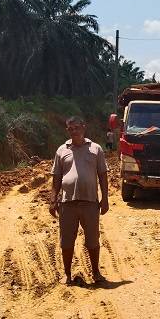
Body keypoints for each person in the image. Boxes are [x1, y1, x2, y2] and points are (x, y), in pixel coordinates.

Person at [49, 117, 109, 285]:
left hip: (90, 202)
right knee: (66, 241)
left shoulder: (96, 149)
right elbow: (56, 177)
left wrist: (105, 198)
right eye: (71, 129)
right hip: (67, 203)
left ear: (84, 127)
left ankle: (96, 273)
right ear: (67, 130)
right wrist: (53, 199)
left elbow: (103, 175)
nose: (74, 131)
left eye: (77, 127)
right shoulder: (62, 150)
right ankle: (67, 274)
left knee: (93, 240)